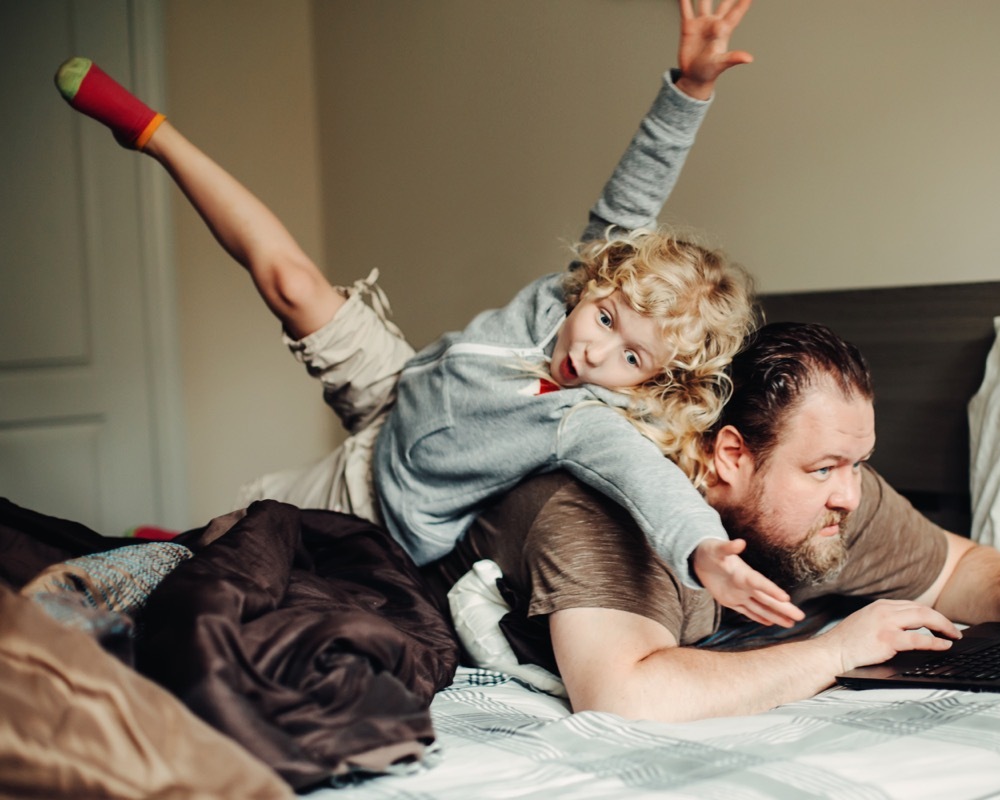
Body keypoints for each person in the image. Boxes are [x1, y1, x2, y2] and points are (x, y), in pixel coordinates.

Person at [53, 0, 805, 627]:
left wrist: (705, 551)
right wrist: (691, 88)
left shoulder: (585, 421)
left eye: (635, 359)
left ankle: (154, 544)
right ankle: (153, 134)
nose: (600, 356)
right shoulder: (569, 288)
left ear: (654, 381)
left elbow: (652, 482)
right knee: (292, 284)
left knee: (229, 545)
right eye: (606, 320)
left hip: (376, 501)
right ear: (595, 284)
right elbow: (637, 188)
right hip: (395, 383)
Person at [422, 321, 1000, 721]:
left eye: (859, 462)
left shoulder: (839, 496)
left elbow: (952, 565)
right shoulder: (602, 512)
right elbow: (622, 696)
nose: (850, 494)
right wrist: (835, 651)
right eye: (823, 469)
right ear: (731, 455)